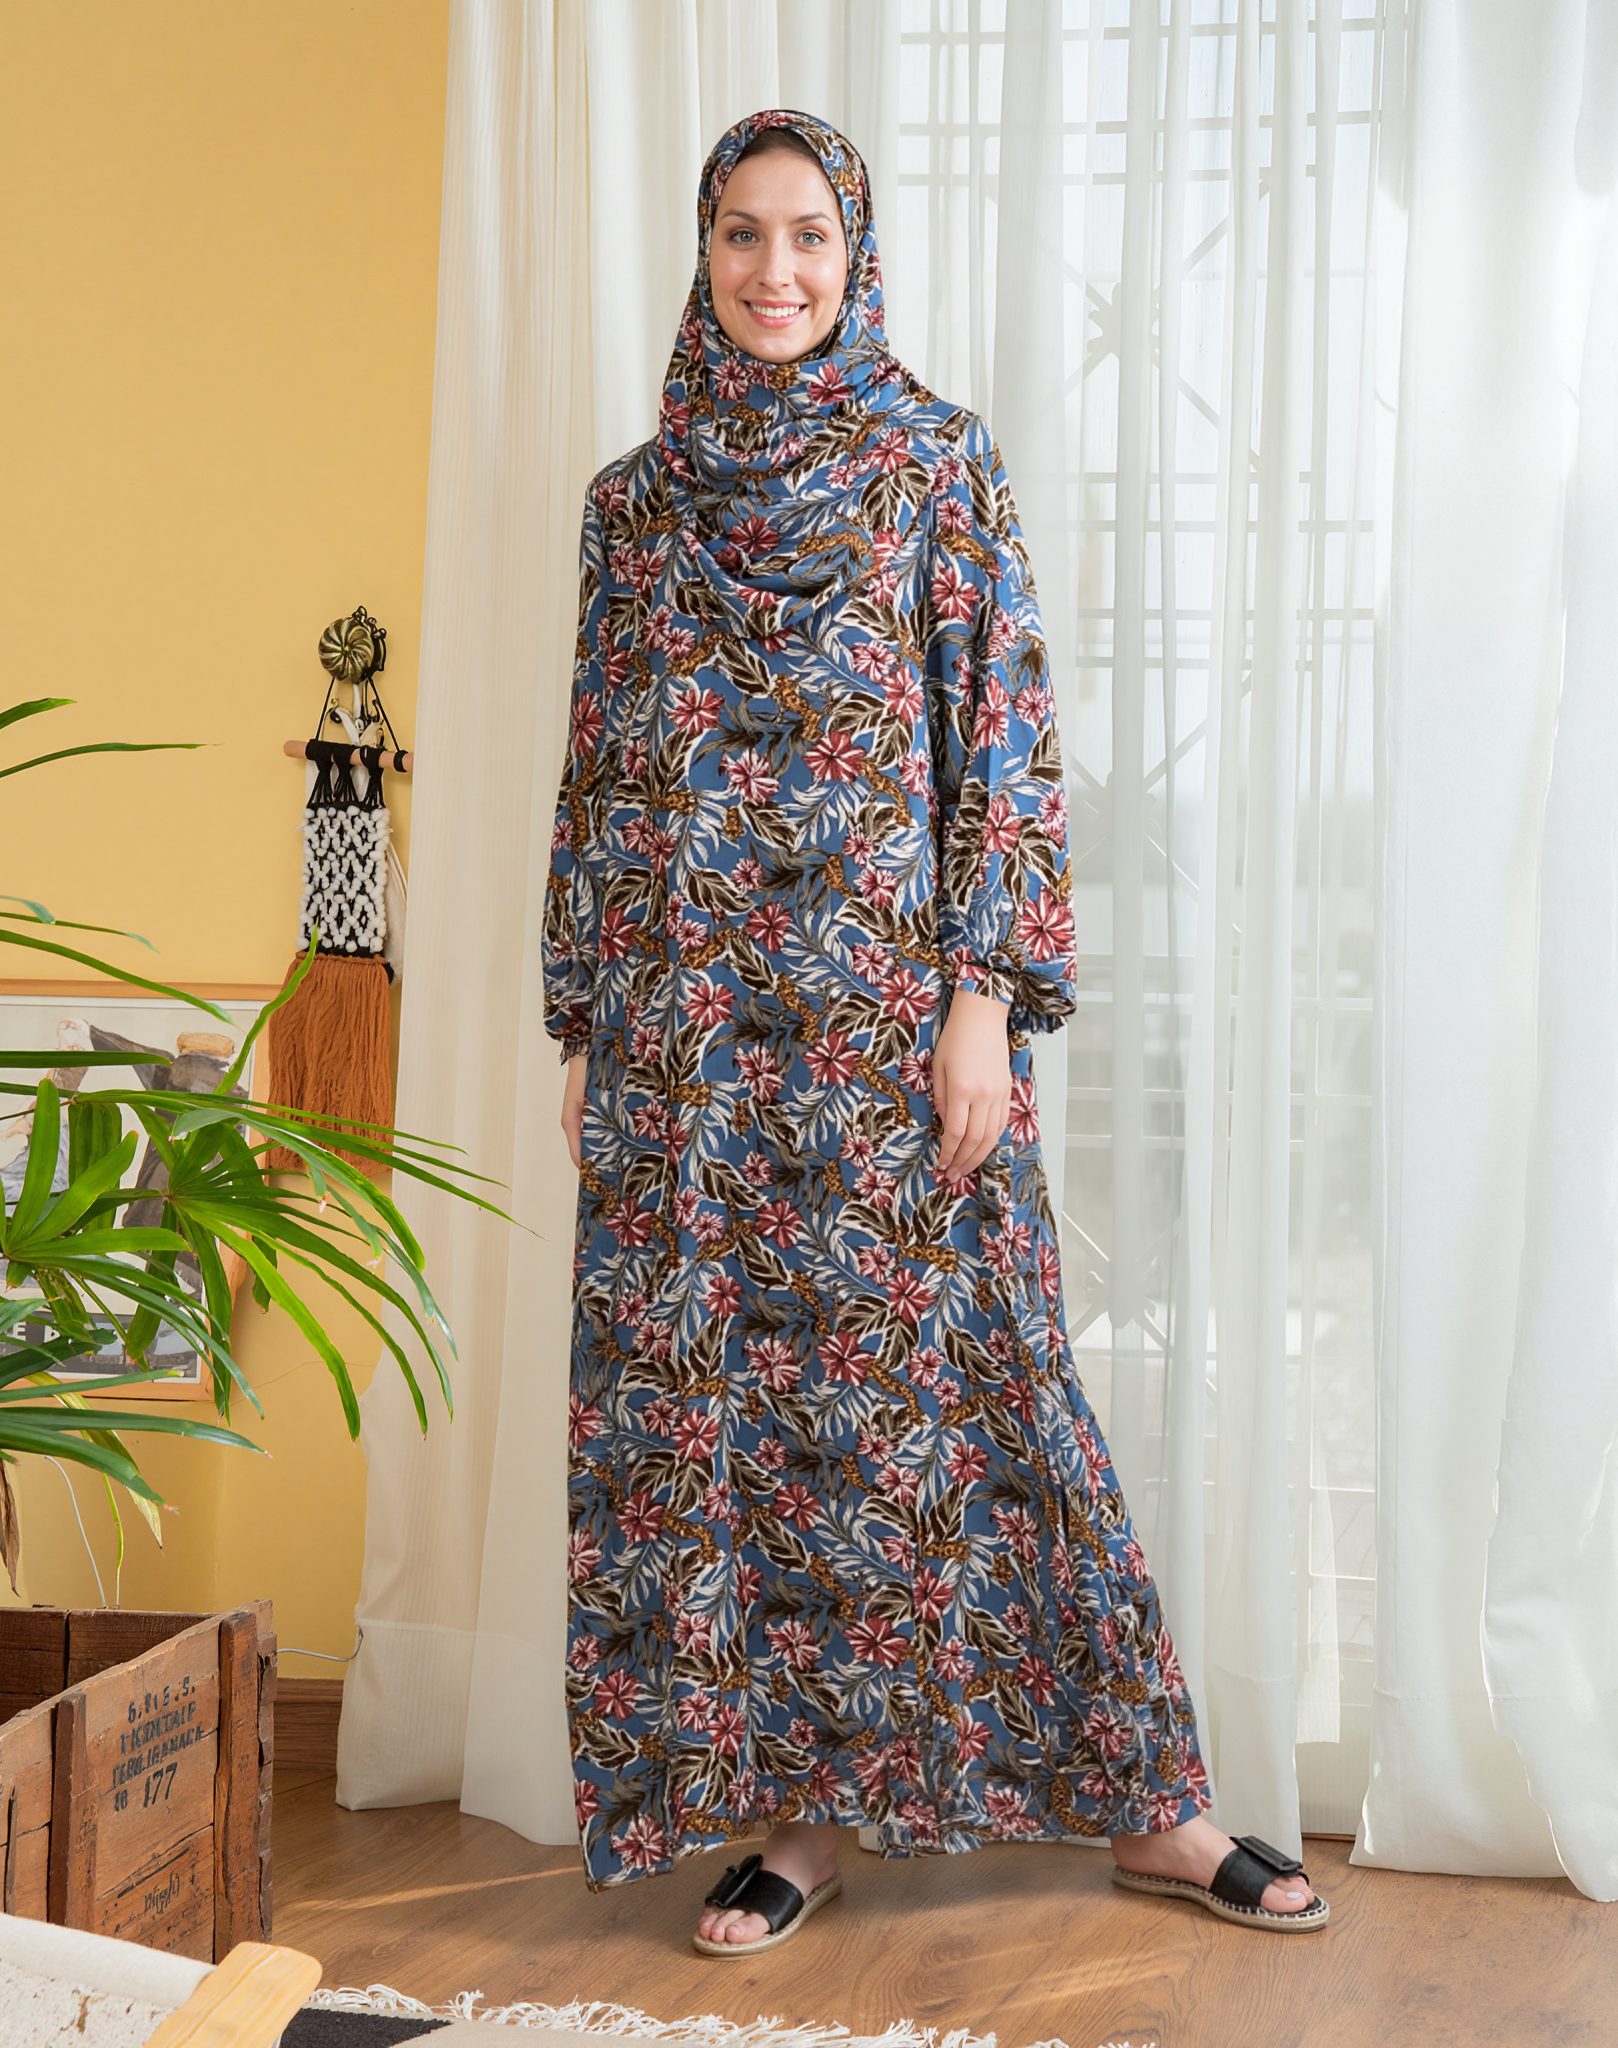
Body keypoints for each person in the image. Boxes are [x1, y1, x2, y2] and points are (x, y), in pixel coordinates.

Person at [543, 109, 1327, 1954]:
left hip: (896, 1035)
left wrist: (985, 1000)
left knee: (991, 1395)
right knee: (746, 1424)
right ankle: (805, 1823)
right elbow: (599, 774)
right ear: (703, 252)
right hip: (689, 1050)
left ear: (858, 252)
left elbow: (1004, 746)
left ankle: (1153, 1808)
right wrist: (582, 1019)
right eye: (741, 234)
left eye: (807, 234)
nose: (774, 270)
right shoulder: (632, 505)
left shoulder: (931, 465)